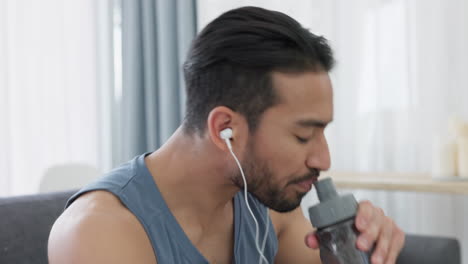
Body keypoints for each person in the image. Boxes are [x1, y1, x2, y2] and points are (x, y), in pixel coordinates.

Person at [48, 6, 404, 264]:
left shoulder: (265, 208)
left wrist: (359, 251)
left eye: (322, 133)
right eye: (302, 136)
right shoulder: (98, 234)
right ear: (225, 129)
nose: (323, 160)